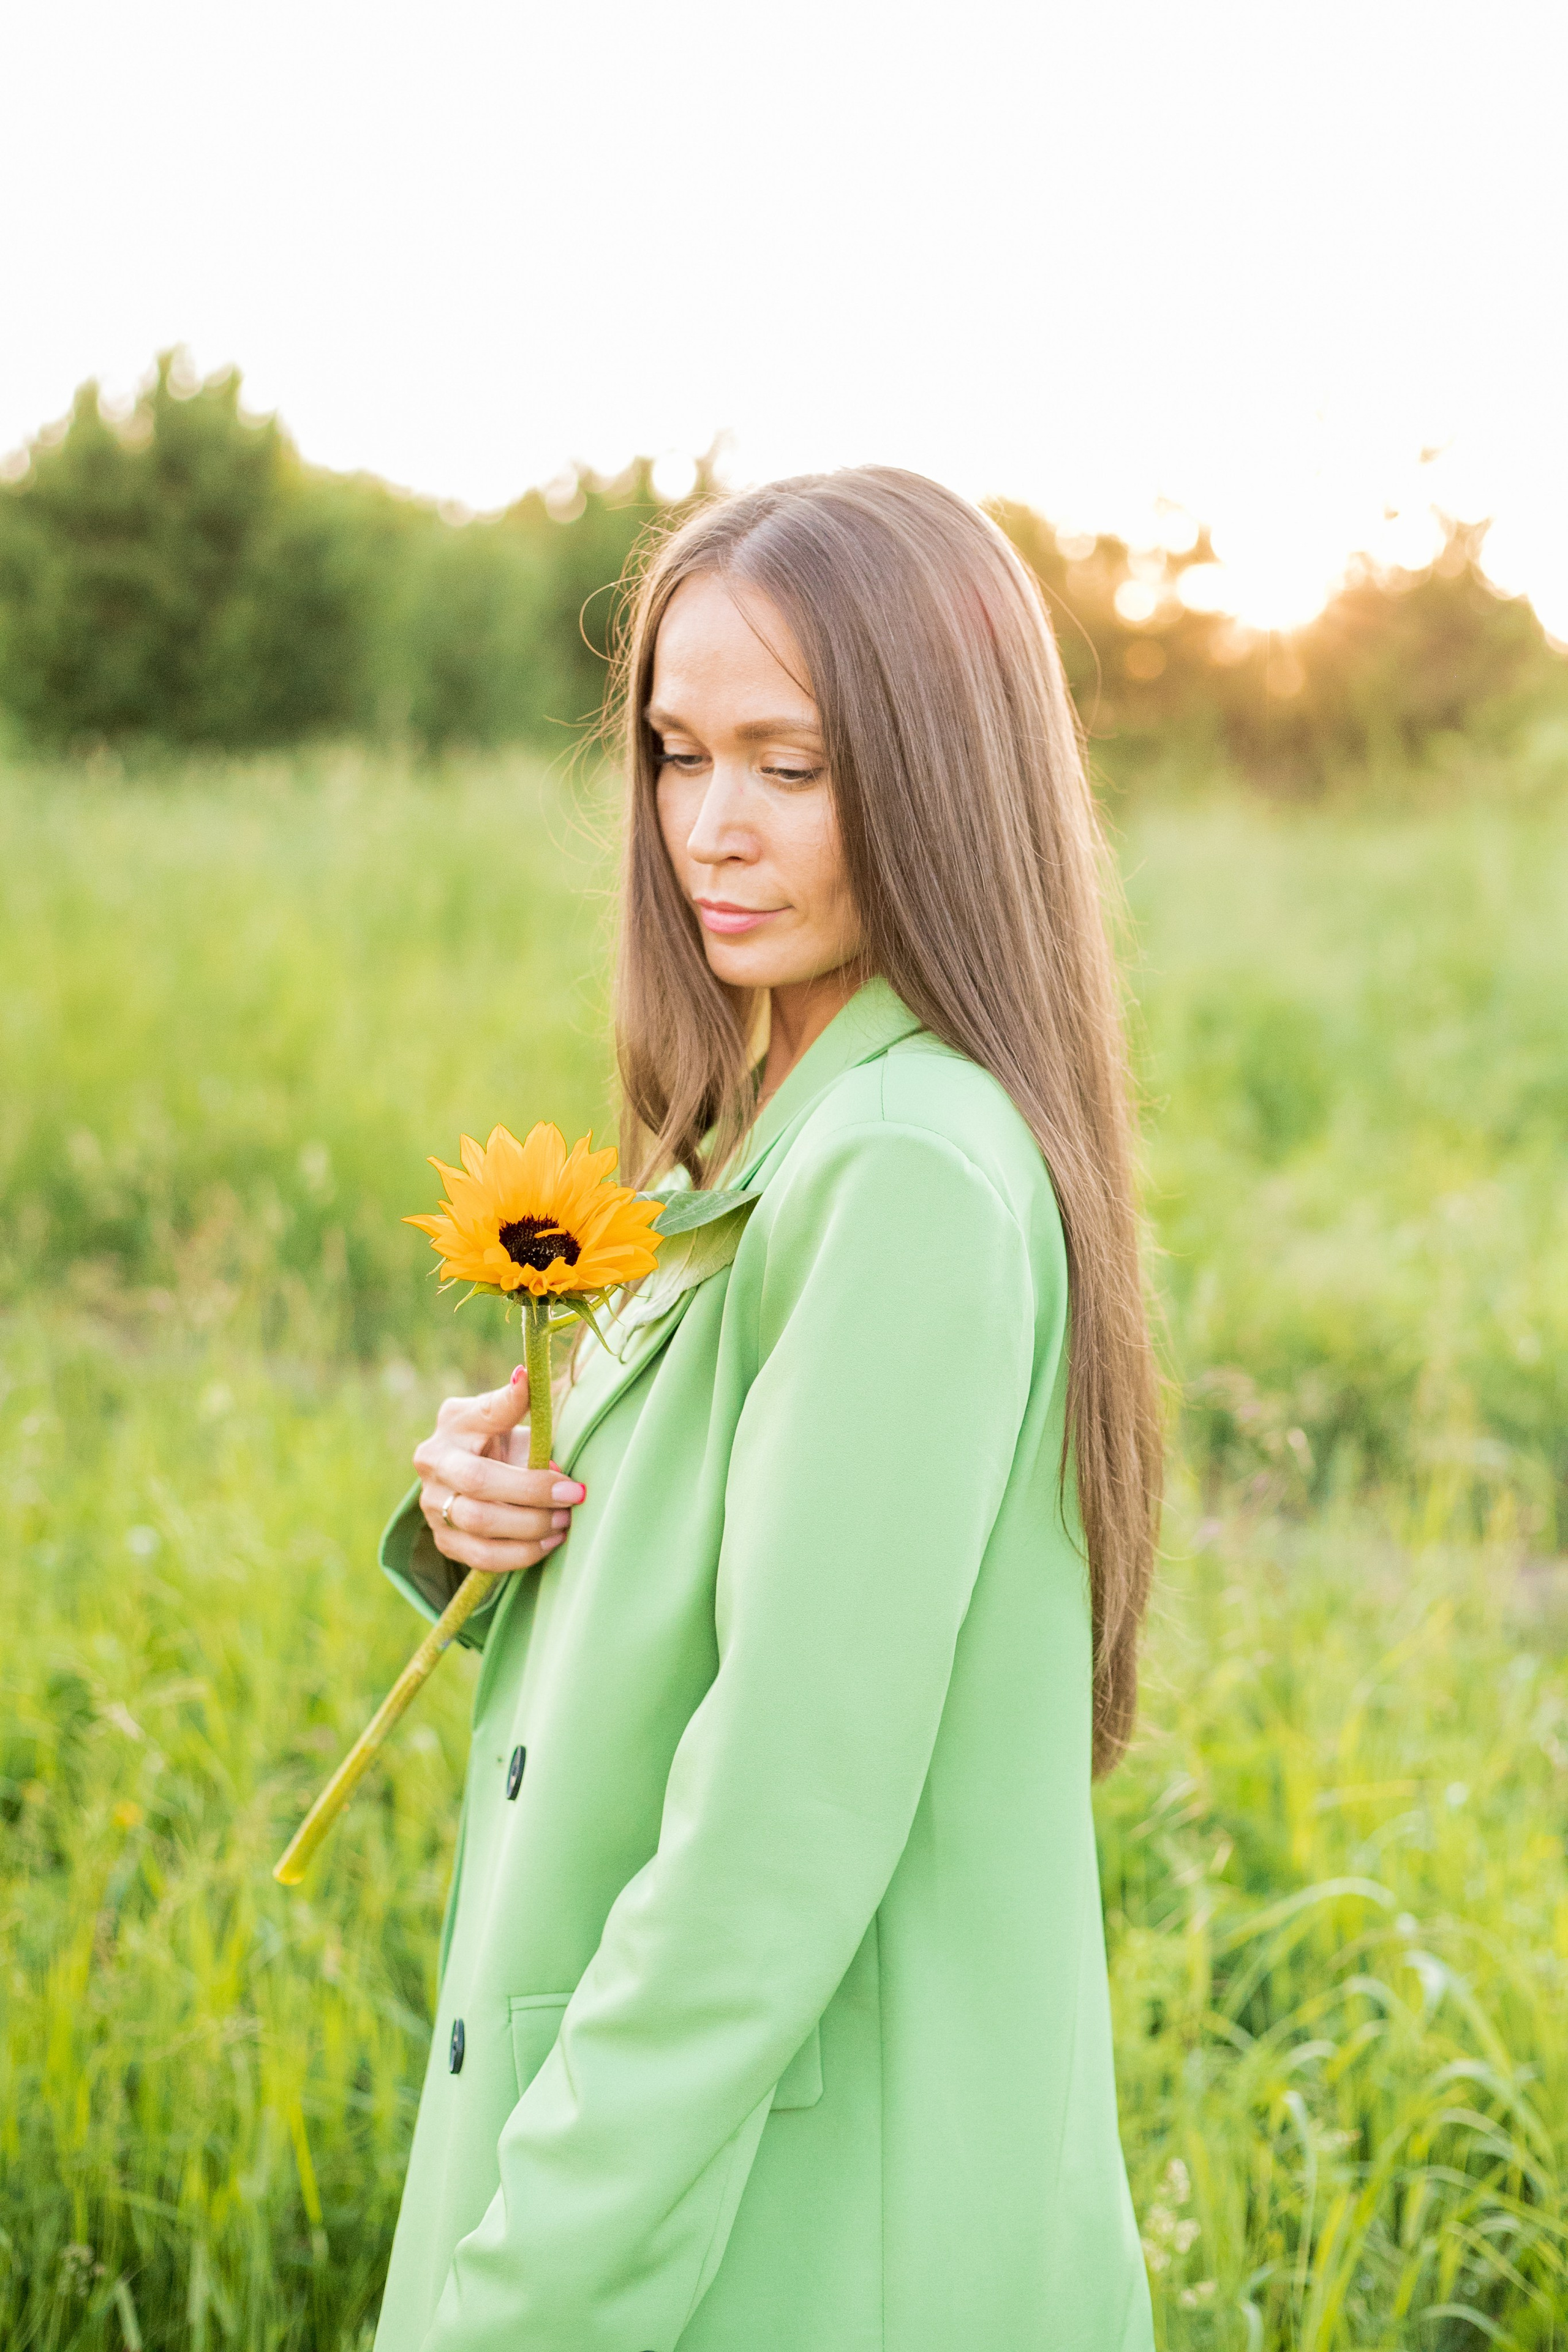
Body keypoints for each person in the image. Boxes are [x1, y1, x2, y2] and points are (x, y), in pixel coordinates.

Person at [372, 468, 1162, 2351]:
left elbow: (773, 1846)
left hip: (781, 2234)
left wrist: (520, 2294)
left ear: (938, 777)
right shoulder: (755, 1129)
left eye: (789, 767)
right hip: (728, 2180)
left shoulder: (897, 1168)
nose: (709, 828)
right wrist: (491, 1507)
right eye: (676, 753)